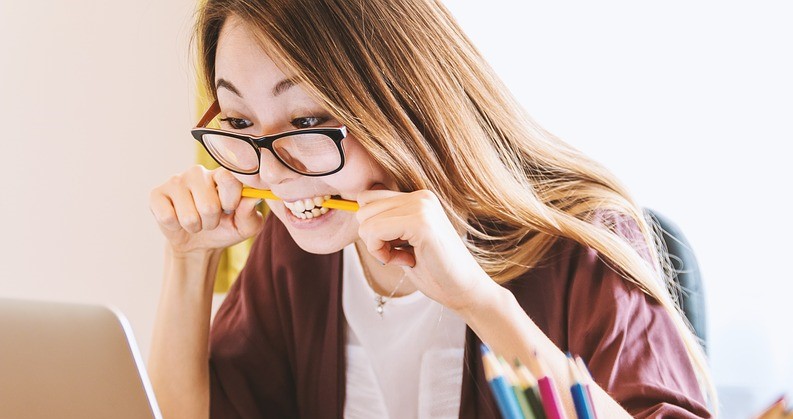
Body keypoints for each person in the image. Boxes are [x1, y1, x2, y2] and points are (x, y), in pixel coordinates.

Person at [147, 0, 715, 418]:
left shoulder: (581, 243)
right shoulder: (301, 245)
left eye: (309, 122)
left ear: (401, 102)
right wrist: (188, 259)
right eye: (241, 123)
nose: (272, 173)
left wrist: (477, 300)